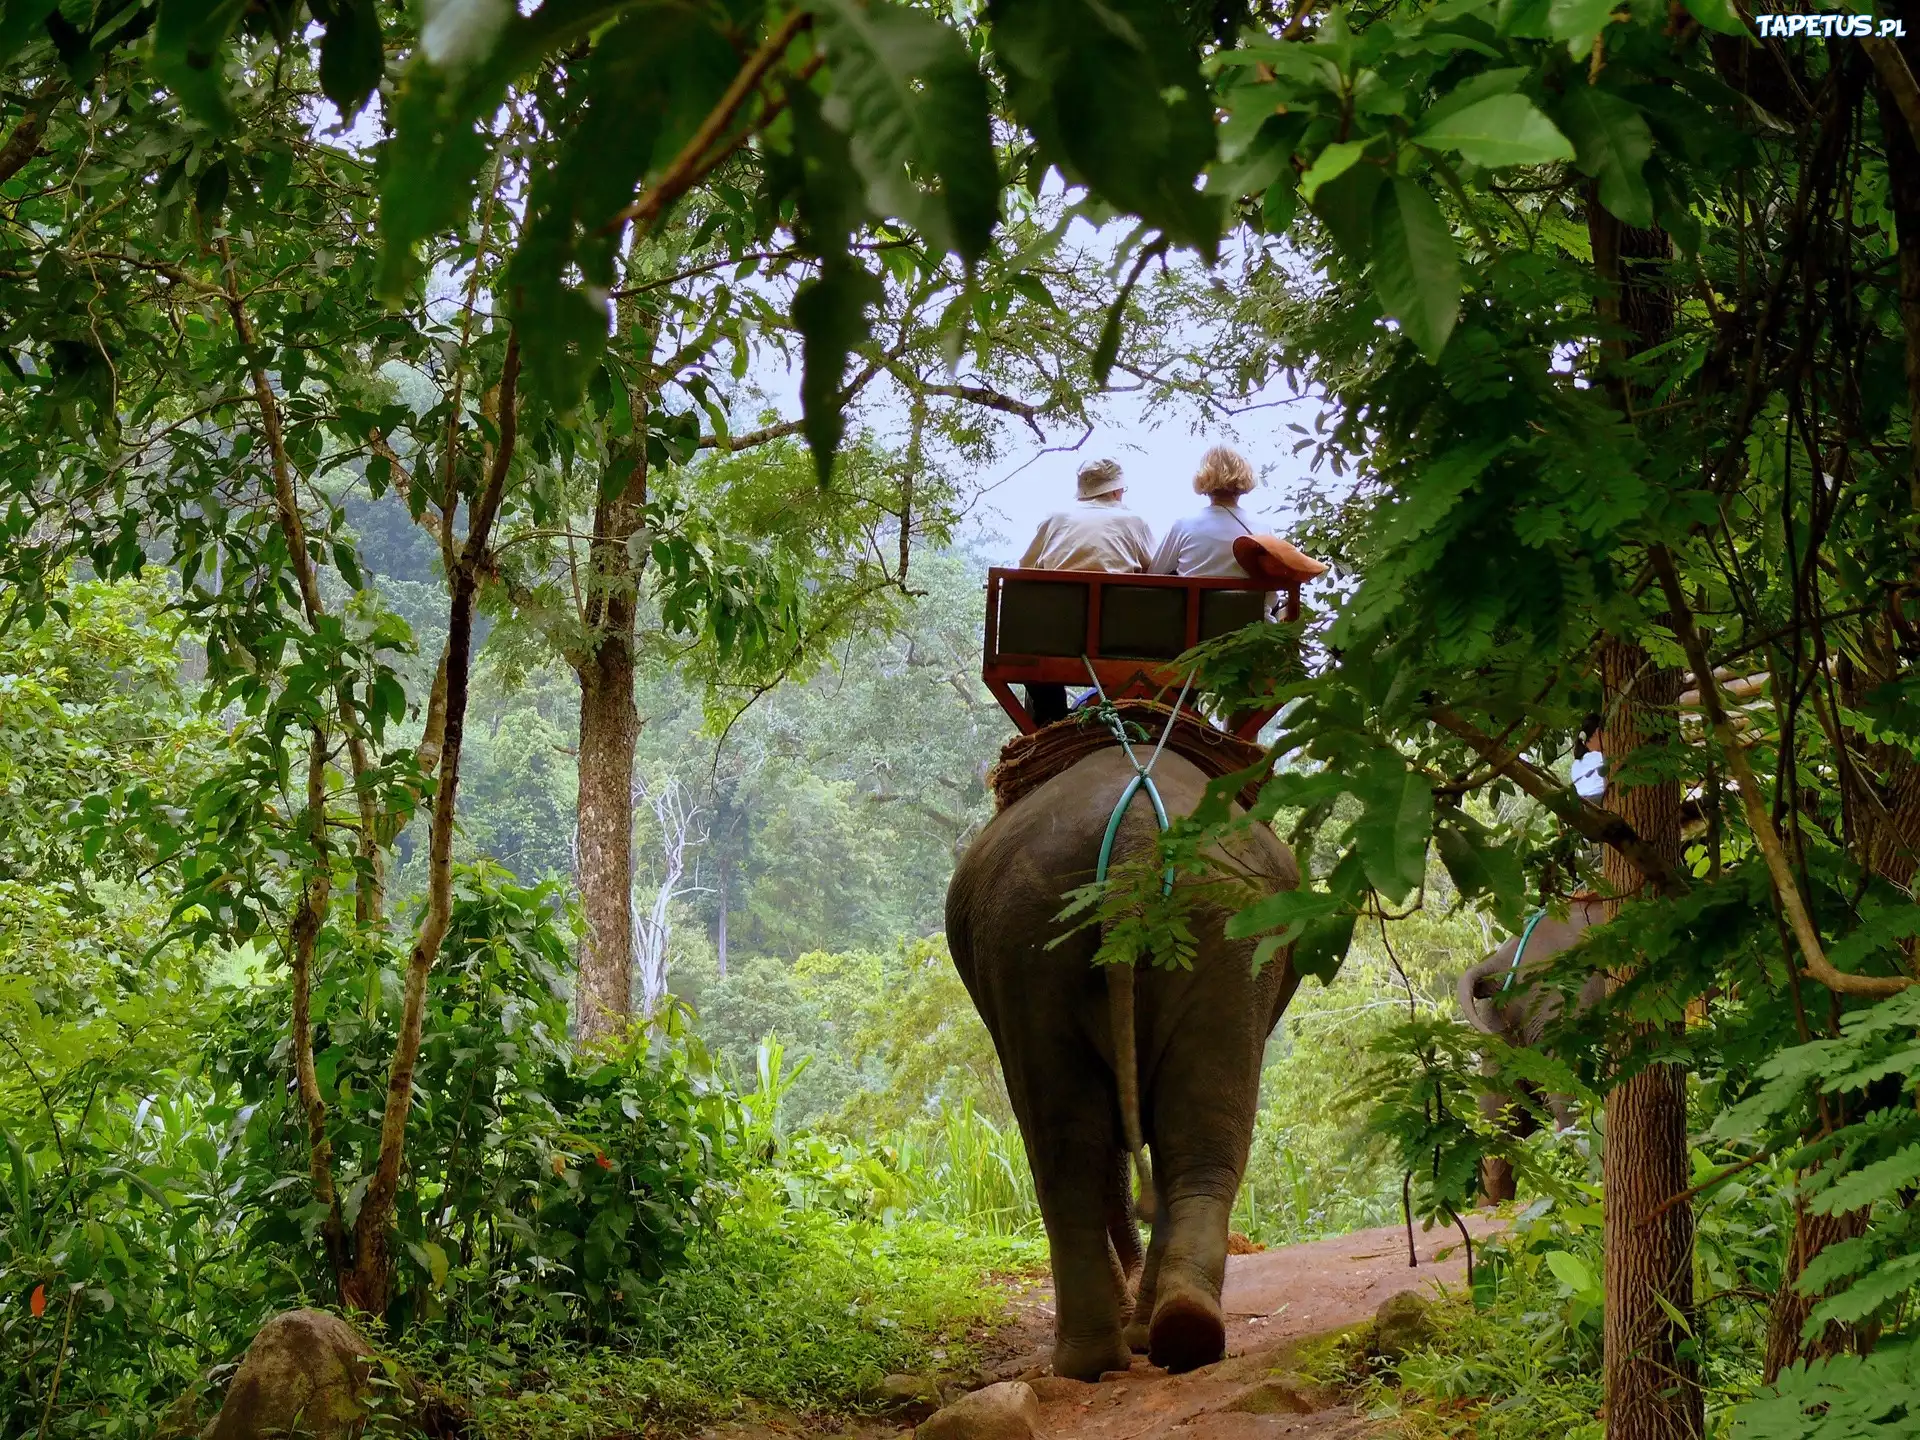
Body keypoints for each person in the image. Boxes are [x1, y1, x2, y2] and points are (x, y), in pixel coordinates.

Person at [1018, 458, 1154, 723]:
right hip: (1121, 642)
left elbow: (1025, 570)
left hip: (1056, 640)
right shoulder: (1134, 522)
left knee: (1035, 651)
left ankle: (1049, 722)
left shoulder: (1055, 519)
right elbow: (1157, 572)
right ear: (1117, 490)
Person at [1150, 445, 1264, 577]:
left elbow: (1154, 575)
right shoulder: (1262, 529)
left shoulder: (1184, 525)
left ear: (1203, 477)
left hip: (1193, 592)